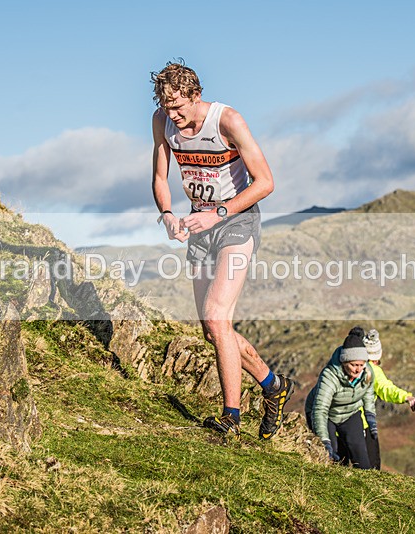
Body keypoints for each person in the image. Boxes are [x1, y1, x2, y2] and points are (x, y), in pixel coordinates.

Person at [150, 61, 292, 439]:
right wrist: (166, 214)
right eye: (167, 107)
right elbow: (160, 176)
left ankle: (231, 417)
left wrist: (219, 214)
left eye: (179, 106)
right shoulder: (162, 122)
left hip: (235, 221)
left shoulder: (228, 121)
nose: (173, 115)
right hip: (199, 224)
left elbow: (265, 182)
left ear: (195, 95)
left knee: (216, 315)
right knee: (214, 330)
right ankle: (274, 385)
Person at [305, 326, 376, 469]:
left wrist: (370, 415)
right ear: (344, 362)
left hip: (350, 413)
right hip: (326, 415)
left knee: (362, 461)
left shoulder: (367, 372)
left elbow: (368, 392)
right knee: (331, 458)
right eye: (354, 365)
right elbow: (320, 410)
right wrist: (324, 441)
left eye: (361, 364)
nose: (358, 369)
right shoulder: (329, 376)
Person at [361, 328, 415, 470]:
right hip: (362, 424)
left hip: (337, 422)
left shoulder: (348, 364)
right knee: (371, 467)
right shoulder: (372, 370)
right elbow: (387, 389)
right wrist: (407, 397)